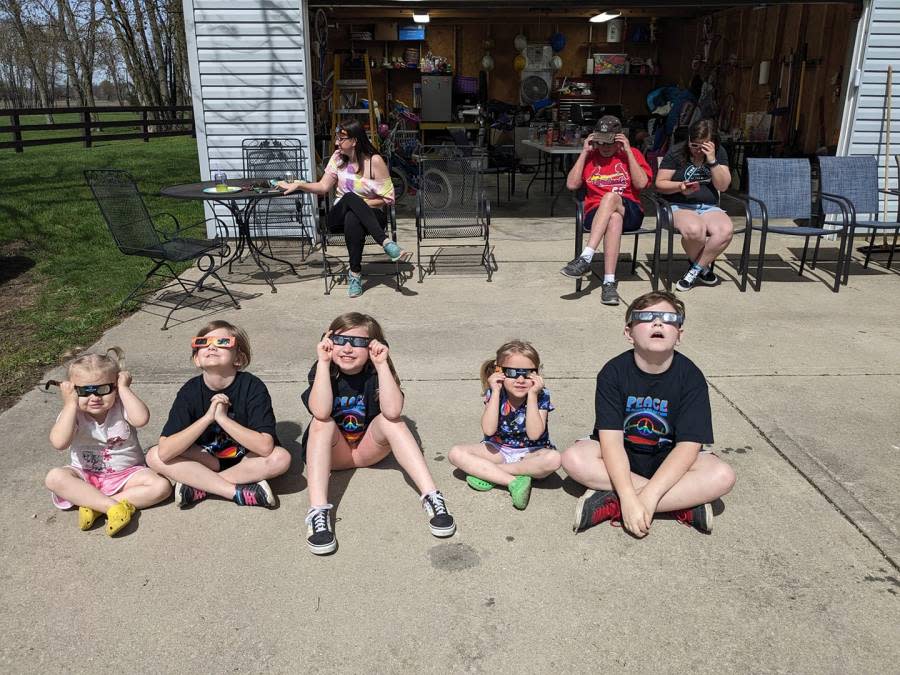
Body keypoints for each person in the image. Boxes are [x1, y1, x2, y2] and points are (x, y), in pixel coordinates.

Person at [561, 290, 735, 536]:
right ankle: (681, 506)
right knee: (573, 458)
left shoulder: (691, 377)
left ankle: (614, 504)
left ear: (679, 335)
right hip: (621, 457)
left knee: (722, 476)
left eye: (669, 319)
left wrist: (648, 497)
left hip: (671, 461)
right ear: (628, 333)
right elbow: (610, 443)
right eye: (646, 317)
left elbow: (688, 446)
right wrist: (629, 494)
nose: (658, 322)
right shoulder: (613, 372)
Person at [301, 312, 455, 555]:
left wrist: (382, 364)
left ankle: (432, 497)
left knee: (393, 421)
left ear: (373, 347)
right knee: (321, 422)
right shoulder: (324, 369)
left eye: (359, 342)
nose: (348, 348)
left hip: (367, 449)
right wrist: (322, 362)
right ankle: (318, 512)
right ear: (328, 342)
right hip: (335, 455)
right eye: (340, 340)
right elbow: (320, 410)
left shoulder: (376, 371)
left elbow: (393, 410)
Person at [147, 321, 291, 509]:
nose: (212, 346)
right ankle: (234, 492)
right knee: (153, 456)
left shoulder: (252, 387)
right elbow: (165, 451)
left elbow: (264, 448)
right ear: (197, 359)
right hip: (206, 460)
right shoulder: (189, 391)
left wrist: (222, 418)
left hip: (246, 460)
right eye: (203, 343)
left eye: (222, 341)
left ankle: (200, 486)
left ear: (238, 358)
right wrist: (208, 417)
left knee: (281, 458)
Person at [44, 349, 171, 536]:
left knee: (162, 487)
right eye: (84, 391)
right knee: (54, 477)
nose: (94, 397)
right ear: (73, 390)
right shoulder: (73, 412)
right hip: (84, 475)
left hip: (127, 475)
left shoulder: (121, 405)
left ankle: (98, 506)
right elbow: (59, 442)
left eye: (103, 389)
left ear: (116, 388)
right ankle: (111, 506)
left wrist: (125, 389)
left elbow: (141, 419)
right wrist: (70, 403)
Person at [279, 118, 404, 298]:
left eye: (341, 138)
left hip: (371, 217)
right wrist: (300, 185)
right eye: (337, 137)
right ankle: (385, 242)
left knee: (353, 216)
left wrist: (359, 206)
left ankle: (354, 274)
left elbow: (388, 198)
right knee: (349, 199)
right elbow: (323, 187)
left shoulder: (375, 161)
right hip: (337, 217)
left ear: (354, 140)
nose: (337, 142)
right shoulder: (337, 159)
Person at [448, 340, 561, 510]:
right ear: (499, 372)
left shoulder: (541, 395)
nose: (521, 379)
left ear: (537, 375)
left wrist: (532, 395)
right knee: (455, 453)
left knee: (554, 459)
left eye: (528, 373)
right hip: (498, 449)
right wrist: (495, 391)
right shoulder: (494, 393)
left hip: (531, 452)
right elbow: (488, 429)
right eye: (513, 372)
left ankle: (491, 473)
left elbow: (534, 434)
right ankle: (514, 481)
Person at [561, 115, 652, 306]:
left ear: (619, 138)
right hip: (597, 214)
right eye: (601, 141)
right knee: (614, 219)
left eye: (609, 141)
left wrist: (628, 152)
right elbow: (571, 184)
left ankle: (586, 257)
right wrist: (584, 153)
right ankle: (609, 282)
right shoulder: (591, 157)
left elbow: (642, 183)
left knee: (610, 197)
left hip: (631, 210)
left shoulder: (632, 153)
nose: (605, 146)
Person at [654, 119, 733, 292]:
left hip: (708, 206)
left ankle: (695, 269)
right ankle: (704, 269)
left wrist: (712, 160)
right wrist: (680, 186)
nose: (697, 150)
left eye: (703, 147)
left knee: (725, 231)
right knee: (695, 230)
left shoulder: (719, 152)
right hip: (678, 204)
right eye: (694, 145)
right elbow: (659, 184)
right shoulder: (676, 152)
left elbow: (723, 186)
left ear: (712, 144)